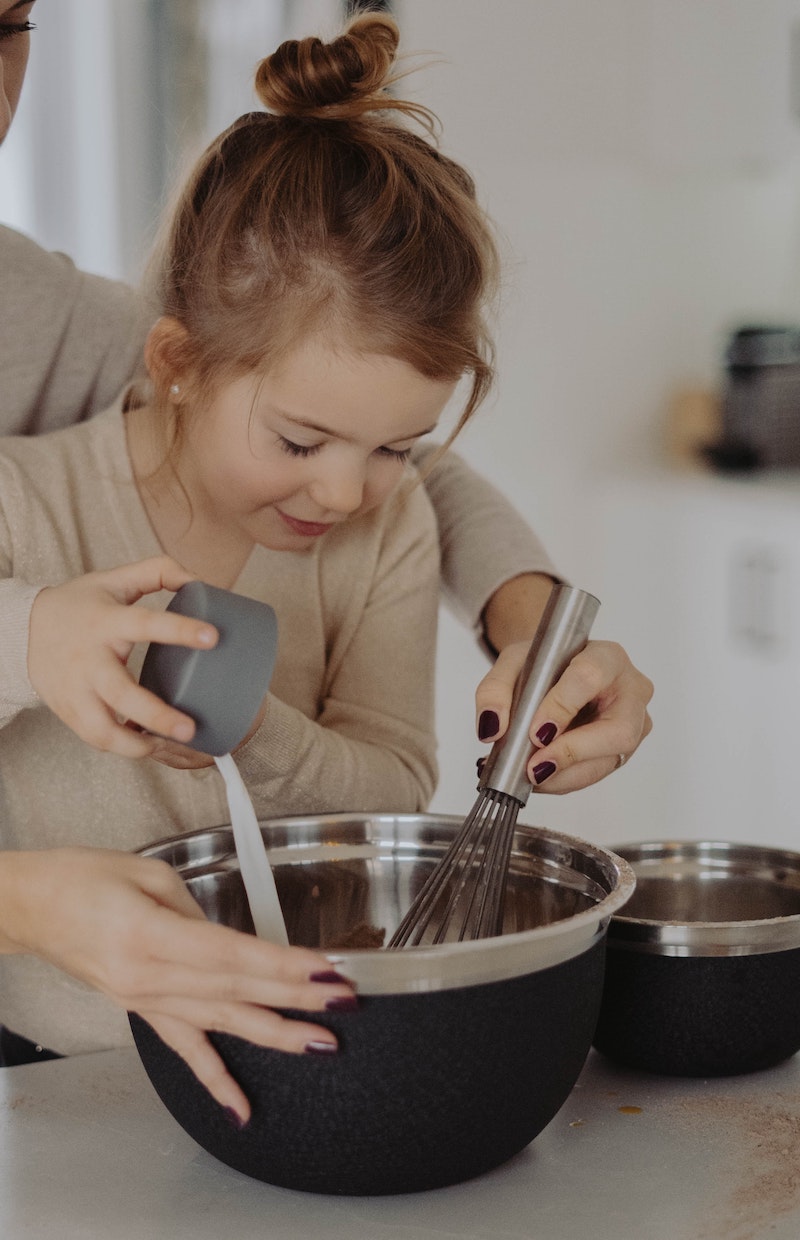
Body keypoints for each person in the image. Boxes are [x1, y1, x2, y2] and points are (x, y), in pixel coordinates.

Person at [0, 5, 652, 1121]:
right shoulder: (35, 492)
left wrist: (529, 618)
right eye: (301, 445)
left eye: (10, 24)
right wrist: (28, 635)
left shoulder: (56, 318)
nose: (346, 491)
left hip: (270, 1071)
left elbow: (330, 423)